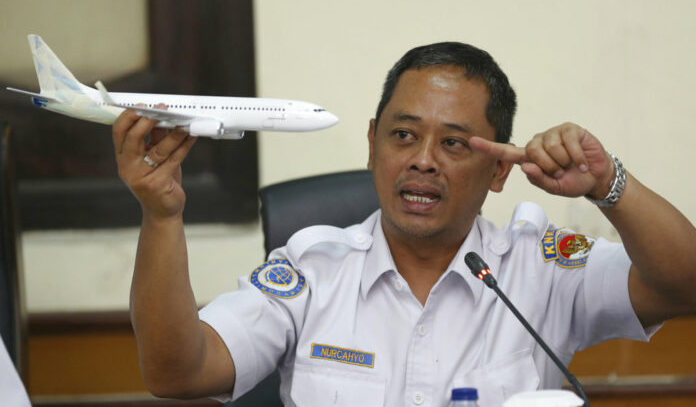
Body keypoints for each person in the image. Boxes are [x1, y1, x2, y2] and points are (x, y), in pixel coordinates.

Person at [113, 42, 696, 406]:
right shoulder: (311, 273)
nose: (422, 159)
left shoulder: (539, 267)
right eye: (403, 135)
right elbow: (175, 373)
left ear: (498, 171)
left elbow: (684, 284)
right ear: (372, 145)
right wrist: (162, 216)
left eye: (454, 144)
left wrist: (608, 185)